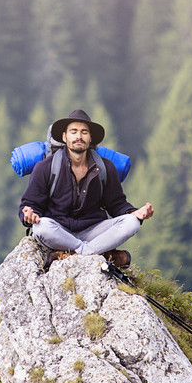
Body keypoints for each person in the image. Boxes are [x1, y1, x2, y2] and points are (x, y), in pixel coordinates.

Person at [18, 109, 153, 268]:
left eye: (84, 132)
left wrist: (134, 212)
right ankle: (98, 253)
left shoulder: (105, 167)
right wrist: (29, 215)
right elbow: (30, 204)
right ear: (64, 137)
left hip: (93, 232)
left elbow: (116, 204)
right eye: (73, 131)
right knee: (41, 227)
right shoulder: (45, 167)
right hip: (59, 231)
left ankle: (74, 255)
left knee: (132, 223)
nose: (79, 136)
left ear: (90, 138)